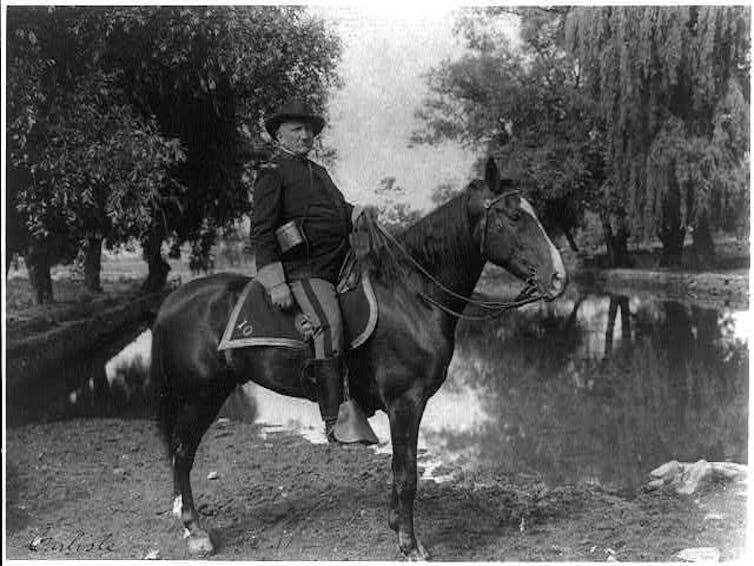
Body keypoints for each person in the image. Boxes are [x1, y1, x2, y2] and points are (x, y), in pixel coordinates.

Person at [251, 100, 376, 444]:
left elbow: (338, 208)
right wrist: (275, 282)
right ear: (280, 135)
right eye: (297, 129)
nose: (306, 135)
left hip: (339, 263)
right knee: (328, 324)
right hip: (304, 269)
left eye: (309, 130)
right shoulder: (272, 172)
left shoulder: (318, 172)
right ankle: (334, 420)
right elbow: (262, 232)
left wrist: (357, 213)